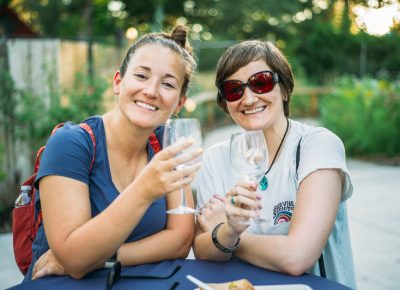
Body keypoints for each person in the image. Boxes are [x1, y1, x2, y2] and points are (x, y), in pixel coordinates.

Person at [25, 25, 202, 281]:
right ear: (118, 82)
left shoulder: (167, 144)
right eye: (141, 76)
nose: (151, 91)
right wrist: (144, 189)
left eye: (167, 84)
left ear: (179, 103)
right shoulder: (72, 144)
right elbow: (74, 261)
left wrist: (104, 257)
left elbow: (180, 240)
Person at [193, 40, 356, 289]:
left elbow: (297, 257)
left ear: (285, 88)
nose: (248, 98)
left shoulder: (317, 145)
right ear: (225, 102)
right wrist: (225, 233)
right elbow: (203, 252)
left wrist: (228, 233)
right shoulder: (215, 159)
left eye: (261, 82)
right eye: (233, 89)